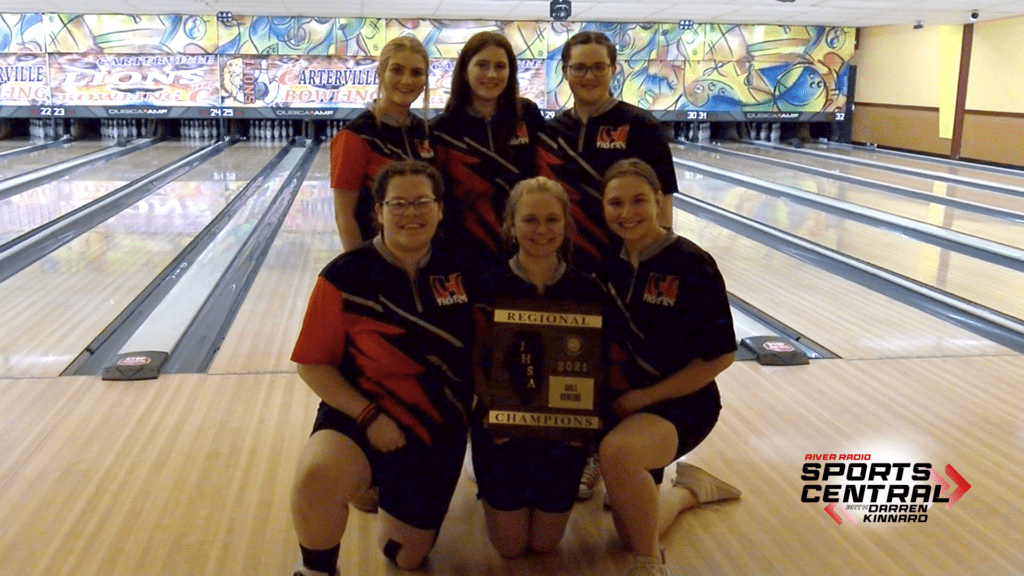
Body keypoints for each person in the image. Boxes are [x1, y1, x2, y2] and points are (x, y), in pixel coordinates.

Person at [289, 161, 474, 576]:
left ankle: (375, 486)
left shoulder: (466, 270)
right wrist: (368, 416)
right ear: (378, 211)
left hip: (435, 429)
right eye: (399, 203)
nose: (412, 212)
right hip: (360, 413)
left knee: (405, 558)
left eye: (422, 202)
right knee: (317, 477)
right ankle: (315, 569)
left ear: (440, 209)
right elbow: (313, 365)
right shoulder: (345, 276)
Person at [599, 158, 739, 576]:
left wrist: (645, 397)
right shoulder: (607, 263)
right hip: (624, 402)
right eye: (615, 203)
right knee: (630, 528)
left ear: (659, 201)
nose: (627, 213)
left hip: (683, 403)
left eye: (639, 200)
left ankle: (649, 564)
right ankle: (690, 491)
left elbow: (720, 356)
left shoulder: (692, 264)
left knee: (619, 454)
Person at [469, 176, 604, 558]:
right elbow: (476, 362)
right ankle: (477, 468)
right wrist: (497, 413)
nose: (541, 230)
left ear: (567, 225)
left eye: (551, 220)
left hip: (563, 436)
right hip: (502, 432)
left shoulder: (587, 289)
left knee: (544, 546)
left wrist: (584, 429)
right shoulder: (490, 285)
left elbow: (596, 370)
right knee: (509, 548)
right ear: (511, 225)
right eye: (529, 220)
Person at [537, 31, 677, 271]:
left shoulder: (642, 126)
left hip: (623, 265)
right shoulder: (550, 132)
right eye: (579, 68)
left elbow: (663, 211)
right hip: (561, 267)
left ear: (613, 70)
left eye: (599, 67)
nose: (589, 76)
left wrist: (652, 267)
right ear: (565, 71)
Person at [431, 31, 544, 273]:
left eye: (500, 66)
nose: (492, 74)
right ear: (464, 70)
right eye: (482, 65)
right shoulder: (442, 129)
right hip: (463, 253)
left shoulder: (528, 115)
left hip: (527, 246)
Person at [330, 36, 434, 252]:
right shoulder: (354, 137)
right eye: (397, 70)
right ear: (380, 73)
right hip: (377, 262)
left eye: (416, 72)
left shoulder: (426, 133)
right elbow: (344, 216)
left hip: (426, 259)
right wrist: (360, 267)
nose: (407, 80)